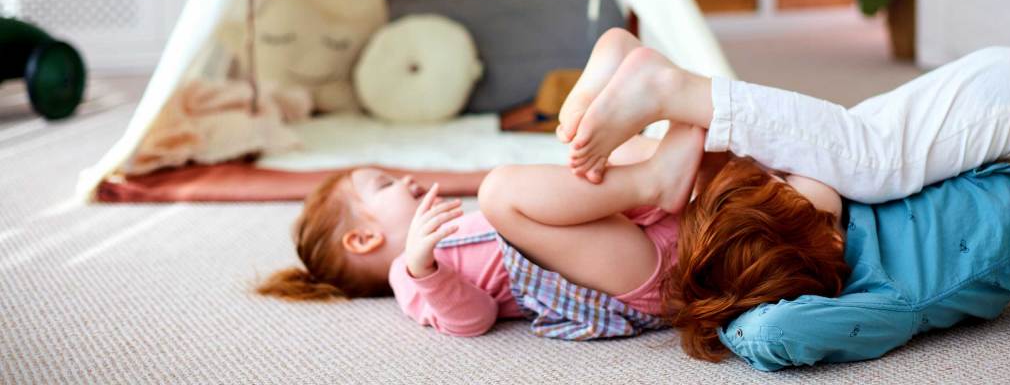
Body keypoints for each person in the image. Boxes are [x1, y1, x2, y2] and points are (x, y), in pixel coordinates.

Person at [553, 28, 1010, 360]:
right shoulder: (891, 298)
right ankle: (674, 93)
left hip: (976, 128)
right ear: (824, 243)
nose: (780, 171)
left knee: (851, 159)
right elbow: (774, 332)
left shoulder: (826, 223)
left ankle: (661, 120)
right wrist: (726, 318)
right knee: (869, 165)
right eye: (785, 184)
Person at [256, 122, 711, 340]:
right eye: (385, 185)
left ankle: (688, 169)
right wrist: (424, 268)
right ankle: (657, 179)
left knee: (613, 145)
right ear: (363, 239)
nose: (407, 180)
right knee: (500, 189)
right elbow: (472, 320)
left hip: (639, 240)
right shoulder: (408, 276)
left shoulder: (451, 231)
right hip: (635, 281)